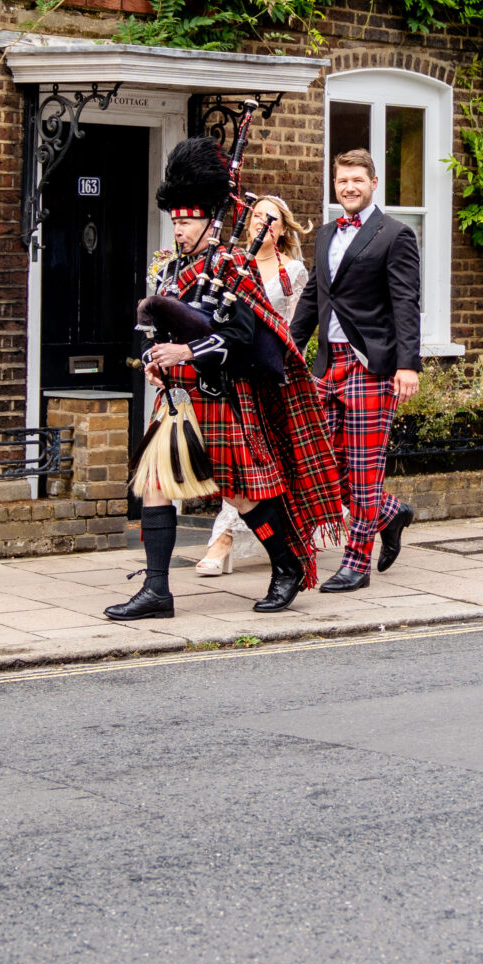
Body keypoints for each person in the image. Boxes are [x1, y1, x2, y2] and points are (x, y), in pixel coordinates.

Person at [106, 140, 344, 622]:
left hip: (219, 393)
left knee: (241, 492)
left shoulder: (231, 265)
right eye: (174, 220)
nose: (179, 227)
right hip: (177, 396)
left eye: (187, 220)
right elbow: (168, 331)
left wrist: (189, 351)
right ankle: (157, 592)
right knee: (154, 483)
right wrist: (160, 361)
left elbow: (241, 333)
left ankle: (288, 564)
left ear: (209, 223)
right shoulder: (170, 270)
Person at [289, 149, 423, 593]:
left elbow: (406, 302)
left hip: (371, 364)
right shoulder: (326, 233)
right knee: (324, 466)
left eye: (357, 180)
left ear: (374, 183)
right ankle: (390, 513)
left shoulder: (395, 234)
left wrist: (407, 365)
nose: (349, 187)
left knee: (365, 469)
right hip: (328, 365)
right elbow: (314, 297)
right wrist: (288, 348)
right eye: (342, 180)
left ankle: (356, 563)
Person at [198, 195, 311, 577]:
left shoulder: (292, 271)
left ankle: (224, 541)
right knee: (241, 464)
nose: (261, 222)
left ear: (281, 229)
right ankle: (241, 539)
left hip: (269, 375)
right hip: (230, 373)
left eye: (271, 218)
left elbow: (295, 331)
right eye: (256, 215)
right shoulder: (229, 265)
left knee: (254, 465)